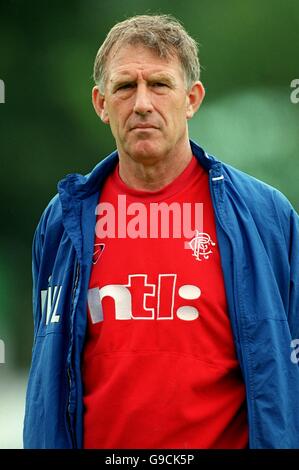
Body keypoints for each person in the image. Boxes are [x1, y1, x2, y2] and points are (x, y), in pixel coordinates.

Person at [23, 14, 299, 449]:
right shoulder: (62, 221)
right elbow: (51, 374)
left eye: (160, 85)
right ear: (100, 103)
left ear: (191, 98)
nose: (142, 104)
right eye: (125, 87)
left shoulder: (266, 218)